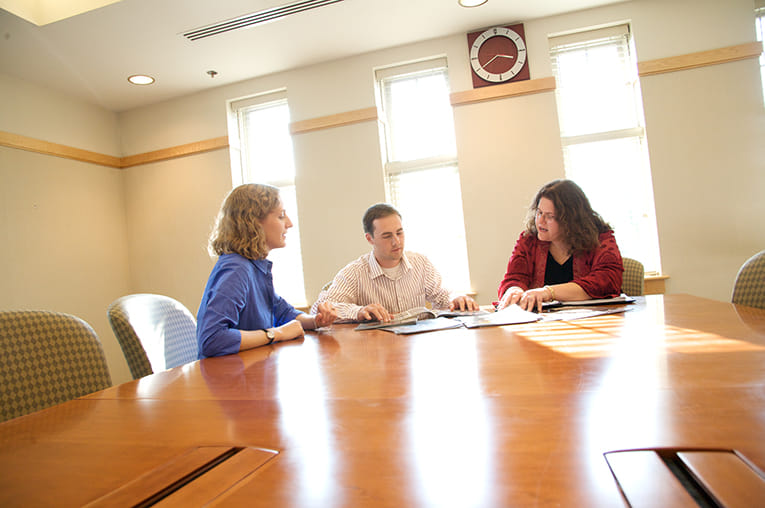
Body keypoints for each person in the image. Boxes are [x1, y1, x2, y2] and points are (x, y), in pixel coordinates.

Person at [197, 184, 337, 359]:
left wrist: (316, 320)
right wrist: (276, 334)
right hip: (229, 379)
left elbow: (283, 313)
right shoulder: (236, 269)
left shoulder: (255, 266)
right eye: (281, 216)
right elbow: (212, 339)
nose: (290, 224)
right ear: (253, 222)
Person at [312, 203, 478, 322]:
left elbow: (443, 296)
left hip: (415, 349)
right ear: (369, 239)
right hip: (374, 353)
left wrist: (456, 298)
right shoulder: (355, 273)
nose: (396, 242)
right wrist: (359, 311)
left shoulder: (420, 263)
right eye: (387, 236)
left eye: (399, 233)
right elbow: (318, 309)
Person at [497, 179, 623, 312]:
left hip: (596, 322)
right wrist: (514, 290)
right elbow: (514, 277)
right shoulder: (529, 240)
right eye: (539, 213)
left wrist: (548, 292)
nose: (540, 221)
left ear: (570, 220)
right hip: (542, 324)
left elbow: (607, 280)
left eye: (549, 216)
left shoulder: (601, 239)